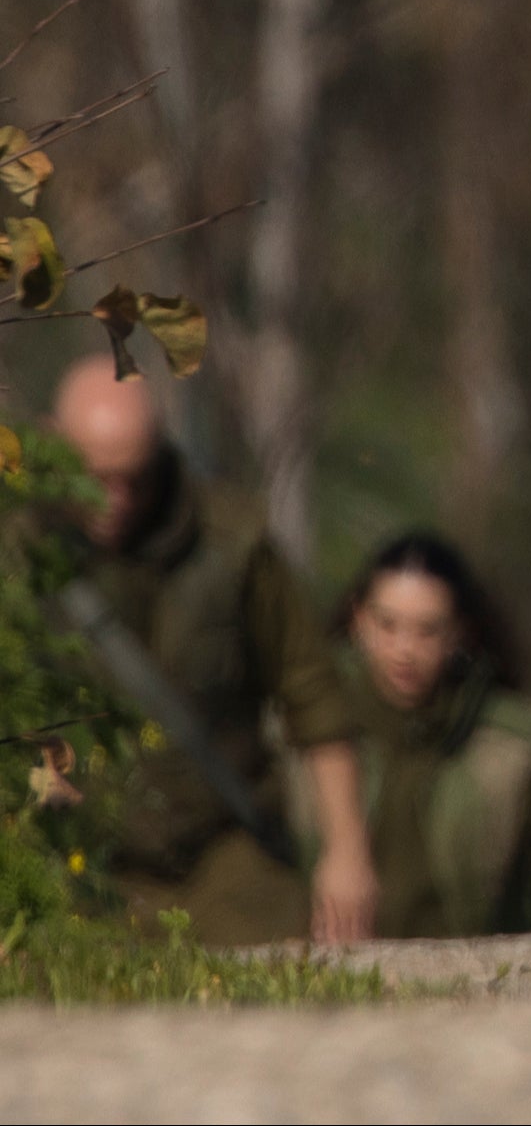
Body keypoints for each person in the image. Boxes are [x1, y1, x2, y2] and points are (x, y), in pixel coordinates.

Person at [48, 355, 378, 945]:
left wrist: (346, 854)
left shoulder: (233, 544)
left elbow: (315, 696)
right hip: (73, 862)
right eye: (95, 479)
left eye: (134, 479)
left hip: (223, 857)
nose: (116, 499)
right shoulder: (18, 551)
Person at [329, 530, 531, 936]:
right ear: (359, 619)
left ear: (458, 631)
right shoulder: (307, 733)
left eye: (427, 630)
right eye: (387, 625)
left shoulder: (518, 746)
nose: (404, 650)